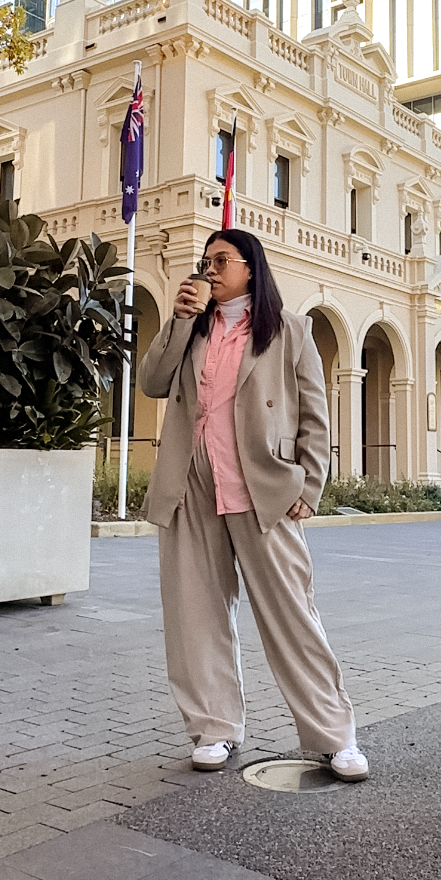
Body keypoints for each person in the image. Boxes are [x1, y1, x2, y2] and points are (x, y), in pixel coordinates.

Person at [140, 229, 367, 780]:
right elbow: (151, 382)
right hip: (191, 487)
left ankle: (334, 737)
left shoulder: (289, 331)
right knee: (196, 617)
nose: (210, 270)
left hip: (262, 488)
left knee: (292, 616)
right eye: (206, 261)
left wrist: (309, 487)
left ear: (250, 267)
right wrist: (176, 320)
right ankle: (214, 729)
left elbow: (315, 415)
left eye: (222, 261)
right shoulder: (192, 328)